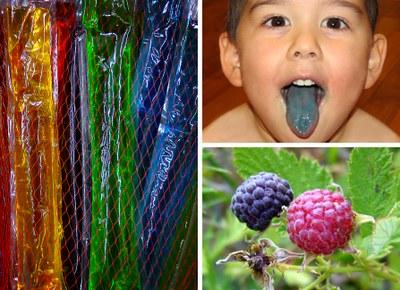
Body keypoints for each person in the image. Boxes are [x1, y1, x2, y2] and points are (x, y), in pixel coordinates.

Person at [203, 0, 400, 142]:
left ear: (371, 61)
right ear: (235, 59)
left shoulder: (389, 153)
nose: (305, 45)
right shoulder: (207, 146)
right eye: (277, 21)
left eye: (334, 23)